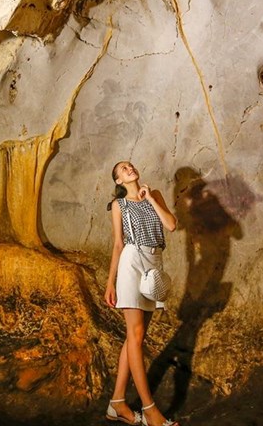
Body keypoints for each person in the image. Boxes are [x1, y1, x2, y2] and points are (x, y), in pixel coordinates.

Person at [104, 160, 179, 426]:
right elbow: (117, 244)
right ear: (118, 181)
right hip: (131, 262)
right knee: (135, 336)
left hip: (154, 262)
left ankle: (117, 403)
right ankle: (149, 409)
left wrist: (151, 200)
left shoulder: (154, 195)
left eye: (130, 165)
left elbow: (171, 226)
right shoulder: (118, 205)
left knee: (135, 336)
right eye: (123, 169)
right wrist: (110, 282)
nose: (129, 169)